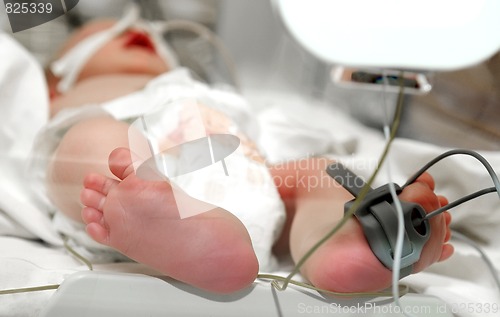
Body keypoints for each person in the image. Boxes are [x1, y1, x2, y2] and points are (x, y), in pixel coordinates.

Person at [39, 19, 453, 294]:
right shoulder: (71, 96)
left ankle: (348, 241)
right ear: (55, 83)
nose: (141, 28)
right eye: (109, 31)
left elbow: (271, 143)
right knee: (88, 142)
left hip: (246, 177)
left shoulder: (205, 91)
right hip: (134, 174)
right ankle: (167, 219)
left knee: (319, 172)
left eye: (159, 36)